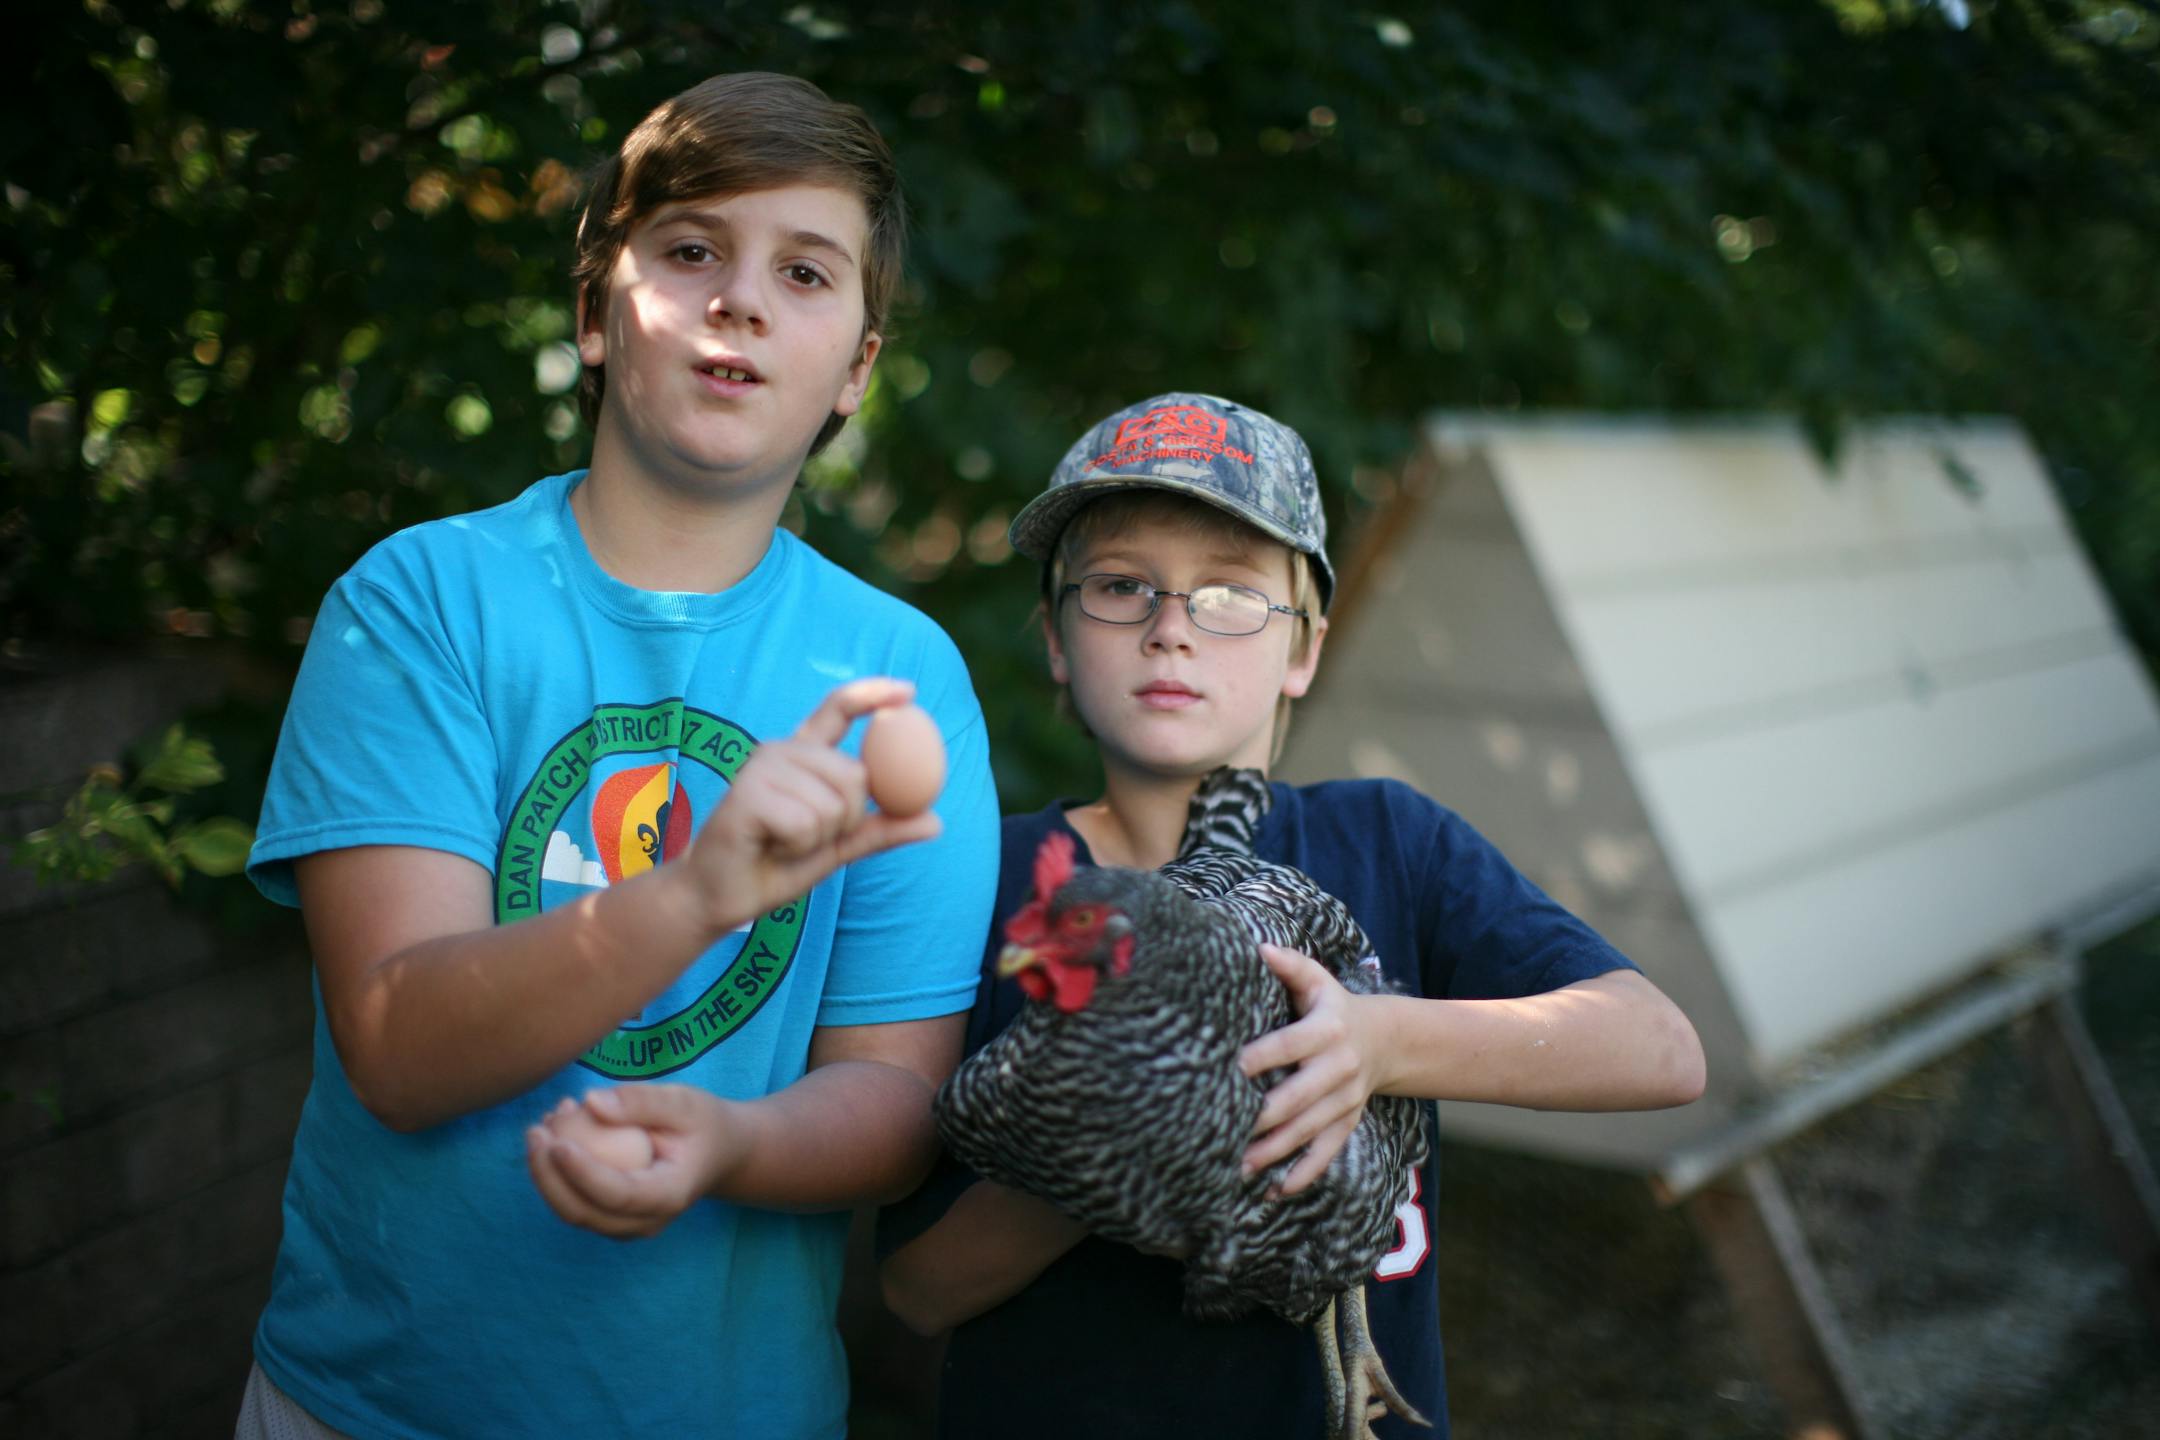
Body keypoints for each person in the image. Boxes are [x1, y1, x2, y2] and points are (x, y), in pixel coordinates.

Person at [236, 72, 998, 1439]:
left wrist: (733, 1146)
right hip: (372, 1408)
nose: (742, 299)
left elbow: (897, 1097)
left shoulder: (901, 680)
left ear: (860, 367)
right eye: (692, 249)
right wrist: (697, 895)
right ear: (597, 315)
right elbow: (401, 1048)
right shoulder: (422, 605)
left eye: (806, 271)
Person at [876, 392, 1706, 1439]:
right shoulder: (985, 882)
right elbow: (914, 1291)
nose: (1171, 628)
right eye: (1121, 587)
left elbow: (1663, 1050)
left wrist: (1381, 1038)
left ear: (1304, 649)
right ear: (1055, 637)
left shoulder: (1390, 845)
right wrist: (1112, 1144)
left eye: (1229, 594)